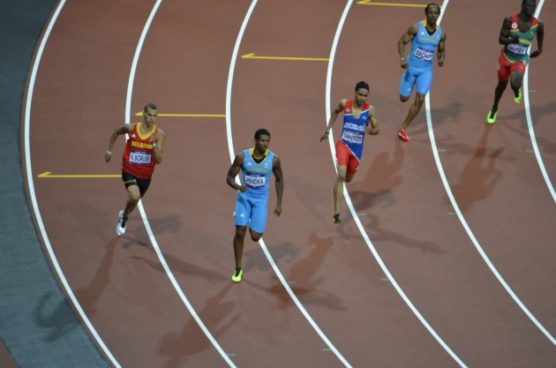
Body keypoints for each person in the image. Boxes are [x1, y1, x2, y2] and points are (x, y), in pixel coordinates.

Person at [226, 129, 284, 283]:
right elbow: (229, 177)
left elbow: (279, 179)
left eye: (267, 141)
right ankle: (238, 268)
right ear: (255, 140)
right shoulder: (242, 157)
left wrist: (279, 203)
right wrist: (238, 187)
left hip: (260, 201)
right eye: (262, 140)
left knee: (255, 237)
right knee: (240, 232)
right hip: (244, 199)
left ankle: (251, 219)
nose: (265, 144)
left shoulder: (273, 160)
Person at [320, 81, 379, 224]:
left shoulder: (370, 110)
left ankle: (338, 203)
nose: (362, 98)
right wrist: (328, 129)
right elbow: (335, 112)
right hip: (343, 145)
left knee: (348, 179)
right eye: (360, 94)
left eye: (365, 96)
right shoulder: (344, 104)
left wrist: (372, 131)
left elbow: (377, 128)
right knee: (341, 174)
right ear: (355, 92)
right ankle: (337, 212)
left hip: (357, 150)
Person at [105, 103, 165, 236]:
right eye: (149, 115)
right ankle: (125, 217)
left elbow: (159, 160)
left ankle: (124, 214)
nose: (151, 118)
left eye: (154, 116)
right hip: (129, 170)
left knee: (134, 200)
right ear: (144, 114)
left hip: (145, 175)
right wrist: (109, 150)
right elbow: (116, 132)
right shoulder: (131, 127)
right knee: (134, 195)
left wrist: (154, 143)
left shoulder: (159, 135)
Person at [486, 0, 544, 124]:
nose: (531, 8)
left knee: (516, 81)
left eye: (533, 6)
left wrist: (540, 49)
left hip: (520, 60)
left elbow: (541, 32)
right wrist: (511, 40)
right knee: (501, 86)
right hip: (505, 58)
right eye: (528, 5)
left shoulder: (537, 24)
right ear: (522, 5)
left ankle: (516, 90)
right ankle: (494, 108)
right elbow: (500, 39)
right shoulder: (509, 20)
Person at [397, 2, 446, 142]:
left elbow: (442, 50)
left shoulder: (441, 34)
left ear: (438, 14)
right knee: (403, 98)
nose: (433, 15)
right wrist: (402, 58)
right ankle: (405, 79)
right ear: (426, 13)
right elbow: (401, 42)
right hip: (411, 68)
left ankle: (403, 129)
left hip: (426, 71)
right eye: (430, 12)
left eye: (436, 13)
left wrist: (441, 59)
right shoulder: (416, 28)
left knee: (420, 99)